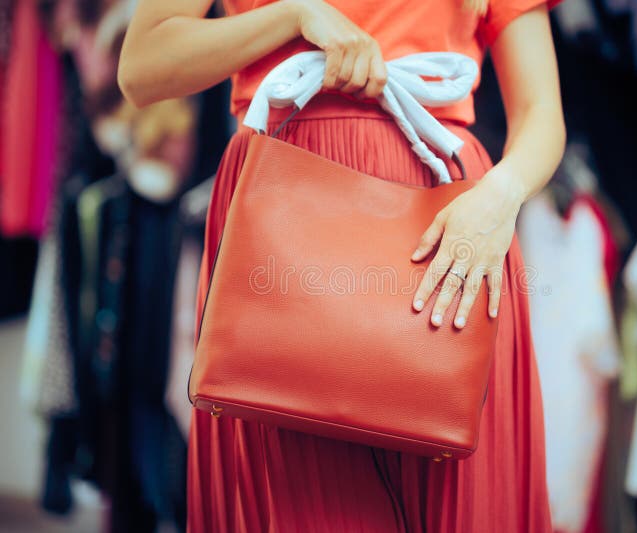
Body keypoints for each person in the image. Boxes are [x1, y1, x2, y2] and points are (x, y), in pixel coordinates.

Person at [119, 0, 566, 530]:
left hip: (455, 229)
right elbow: (143, 66)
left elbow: (542, 112)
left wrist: (501, 197)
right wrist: (292, 18)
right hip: (288, 220)